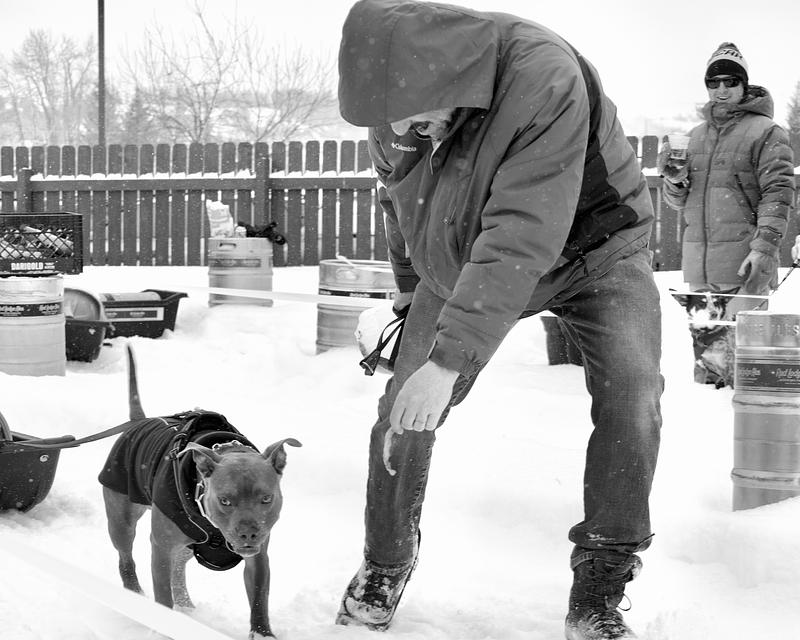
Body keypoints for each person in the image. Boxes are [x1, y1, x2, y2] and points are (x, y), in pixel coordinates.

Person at [336, 1, 664, 638]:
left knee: (632, 393)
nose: (402, 130)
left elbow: (520, 230)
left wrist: (448, 361)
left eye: (413, 115)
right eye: (390, 120)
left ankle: (601, 584)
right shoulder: (399, 113)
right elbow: (403, 204)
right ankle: (385, 562)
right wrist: (410, 293)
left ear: (441, 75)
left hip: (596, 247)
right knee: (405, 409)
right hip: (469, 258)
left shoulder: (542, 78)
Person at [658, 43, 795, 385]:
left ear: (744, 85)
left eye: (730, 82)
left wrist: (764, 248)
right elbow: (680, 202)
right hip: (700, 273)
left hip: (742, 267)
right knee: (709, 370)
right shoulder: (693, 137)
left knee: (745, 370)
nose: (721, 90)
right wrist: (674, 180)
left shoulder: (766, 132)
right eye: (713, 82)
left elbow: (778, 195)